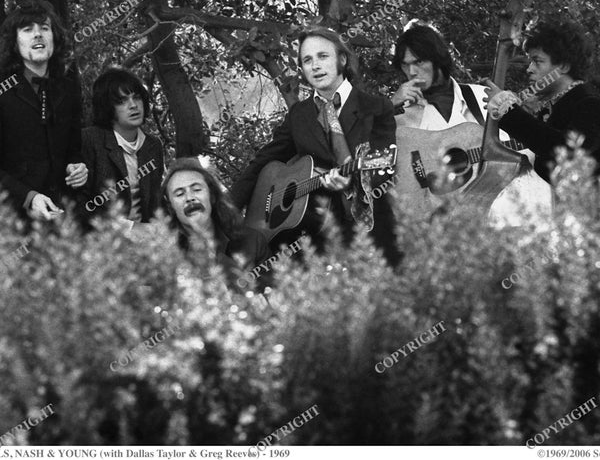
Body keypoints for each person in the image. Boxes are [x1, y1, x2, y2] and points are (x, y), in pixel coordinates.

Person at [229, 26, 401, 266]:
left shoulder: (376, 107)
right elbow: (263, 162)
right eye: (307, 60)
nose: (315, 66)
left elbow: (386, 170)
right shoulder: (299, 115)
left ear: (342, 59)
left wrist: (355, 182)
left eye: (322, 56)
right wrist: (228, 208)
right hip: (312, 243)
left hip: (371, 234)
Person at [391, 21, 551, 224]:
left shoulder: (484, 97)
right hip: (447, 229)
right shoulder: (402, 121)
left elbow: (527, 154)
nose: (412, 72)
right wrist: (390, 105)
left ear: (437, 59)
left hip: (508, 217)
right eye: (405, 65)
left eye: (419, 62)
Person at [0, 0, 87, 220]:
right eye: (28, 29)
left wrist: (78, 169)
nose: (38, 34)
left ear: (54, 38)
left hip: (65, 215)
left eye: (44, 28)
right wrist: (29, 197)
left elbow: (74, 149)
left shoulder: (69, 86)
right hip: (12, 219)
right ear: (14, 42)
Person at [485, 19, 600, 184]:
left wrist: (509, 112)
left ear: (563, 67)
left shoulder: (590, 102)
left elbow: (564, 150)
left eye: (537, 61)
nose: (529, 69)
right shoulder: (556, 104)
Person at [162, 157, 270, 287]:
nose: (190, 198)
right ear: (170, 207)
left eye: (197, 189)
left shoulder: (253, 242)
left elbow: (277, 297)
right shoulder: (164, 259)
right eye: (179, 194)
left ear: (212, 196)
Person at [81, 67, 164, 225]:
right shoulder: (89, 140)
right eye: (121, 101)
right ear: (107, 107)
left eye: (137, 98)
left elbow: (155, 204)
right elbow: (81, 207)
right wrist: (130, 229)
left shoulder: (153, 146)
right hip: (102, 240)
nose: (133, 105)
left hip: (146, 239)